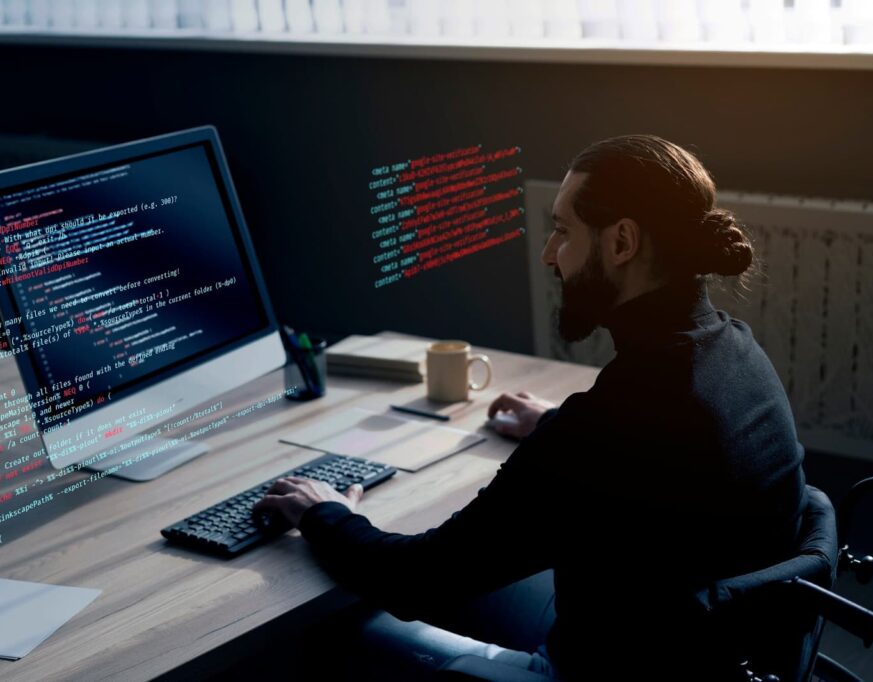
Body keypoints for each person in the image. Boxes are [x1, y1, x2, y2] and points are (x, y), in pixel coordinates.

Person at [254, 135, 807, 680]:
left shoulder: (609, 427)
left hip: (590, 668)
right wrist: (551, 424)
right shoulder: (735, 352)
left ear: (621, 243)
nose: (549, 254)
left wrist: (323, 512)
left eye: (563, 231)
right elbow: (650, 466)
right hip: (704, 656)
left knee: (335, 629)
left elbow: (415, 580)